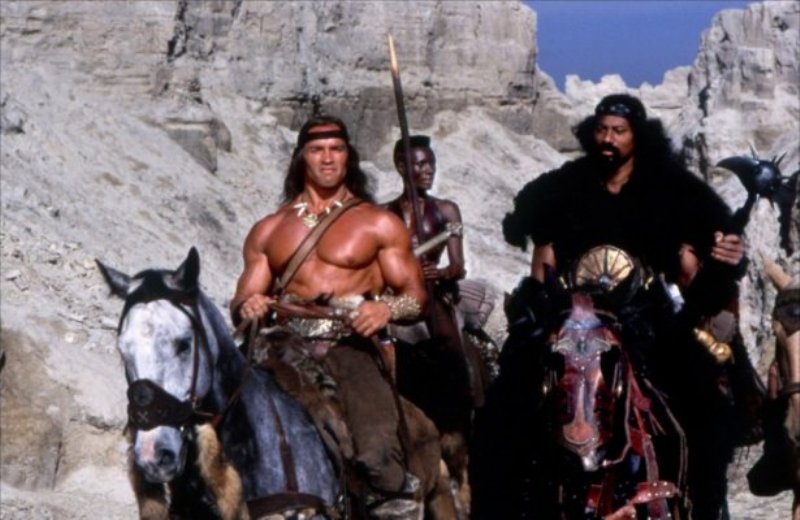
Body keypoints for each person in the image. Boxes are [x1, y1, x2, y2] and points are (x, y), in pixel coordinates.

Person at [472, 94, 747, 519]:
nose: (607, 139)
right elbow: (543, 261)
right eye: (601, 130)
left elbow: (700, 262)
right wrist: (539, 314)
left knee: (701, 398)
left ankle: (703, 502)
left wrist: (727, 256)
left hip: (645, 320)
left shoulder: (671, 189)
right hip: (568, 318)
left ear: (638, 137)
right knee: (507, 402)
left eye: (619, 131)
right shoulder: (563, 186)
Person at [230, 114, 428, 518]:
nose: (327, 158)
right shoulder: (269, 229)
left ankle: (395, 506)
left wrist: (385, 308)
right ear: (301, 157)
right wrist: (248, 306)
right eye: (317, 150)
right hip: (280, 346)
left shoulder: (379, 223)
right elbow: (242, 300)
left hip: (348, 346)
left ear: (348, 156)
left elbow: (416, 297)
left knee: (375, 452)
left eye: (336, 149)